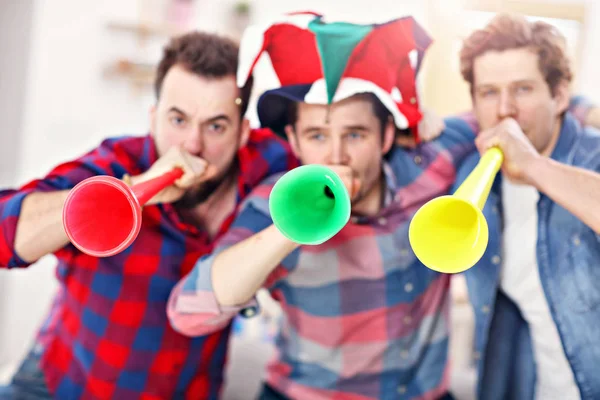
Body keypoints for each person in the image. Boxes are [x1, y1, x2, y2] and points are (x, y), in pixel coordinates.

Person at [167, 12, 481, 400]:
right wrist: (293, 224)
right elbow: (188, 312)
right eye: (317, 135)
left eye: (355, 133)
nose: (336, 155)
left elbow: (499, 119)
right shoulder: (273, 204)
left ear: (386, 136)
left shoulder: (431, 158)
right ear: (295, 142)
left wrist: (581, 108)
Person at [0, 31, 299, 399]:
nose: (193, 145)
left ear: (242, 133)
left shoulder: (271, 164)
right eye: (178, 120)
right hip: (62, 382)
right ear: (154, 118)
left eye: (216, 126)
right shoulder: (116, 163)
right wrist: (136, 190)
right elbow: (4, 234)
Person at [452, 14, 600, 399]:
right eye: (488, 93)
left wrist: (534, 166)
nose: (505, 110)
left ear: (561, 96)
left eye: (522, 89)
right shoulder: (470, 173)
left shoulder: (594, 157)